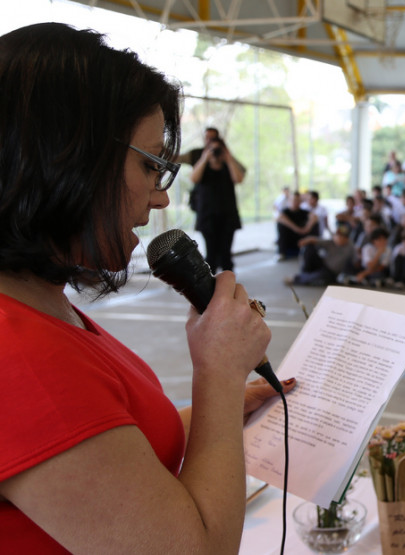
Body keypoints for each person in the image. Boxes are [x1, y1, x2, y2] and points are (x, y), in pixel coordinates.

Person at [0, 23, 293, 553]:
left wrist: (218, 411)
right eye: (149, 165)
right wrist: (220, 373)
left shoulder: (36, 304)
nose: (160, 199)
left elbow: (103, 448)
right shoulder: (18, 353)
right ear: (64, 158)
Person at [190, 126, 246, 272]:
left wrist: (227, 158)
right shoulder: (201, 162)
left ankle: (228, 283)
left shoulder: (228, 164)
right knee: (211, 254)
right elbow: (194, 178)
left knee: (226, 254)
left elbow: (239, 179)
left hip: (227, 215)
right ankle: (211, 284)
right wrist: (205, 158)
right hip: (207, 216)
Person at [286, 225, 356, 286]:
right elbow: (315, 240)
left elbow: (355, 262)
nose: (338, 238)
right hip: (323, 264)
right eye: (337, 235)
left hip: (331, 273)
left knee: (320, 277)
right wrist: (305, 241)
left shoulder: (351, 248)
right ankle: (305, 273)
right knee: (309, 248)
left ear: (347, 238)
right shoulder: (331, 242)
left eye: (341, 236)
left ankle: (297, 278)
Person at [275, 190, 318, 259]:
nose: (295, 202)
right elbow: (280, 217)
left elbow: (314, 217)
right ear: (289, 200)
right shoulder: (285, 212)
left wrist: (307, 228)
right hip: (289, 238)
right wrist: (297, 229)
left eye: (297, 200)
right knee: (281, 224)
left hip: (301, 238)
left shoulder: (304, 212)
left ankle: (313, 250)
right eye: (293, 200)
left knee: (315, 224)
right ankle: (281, 253)